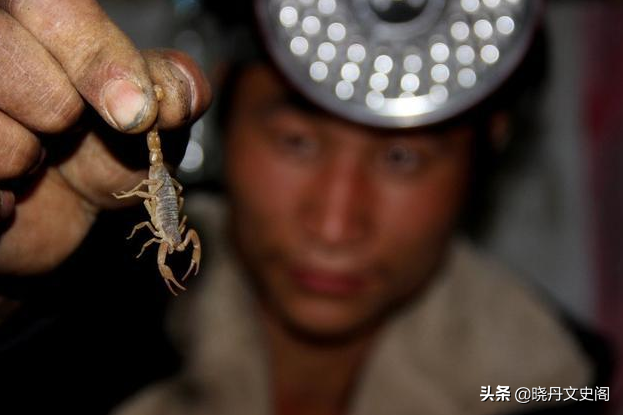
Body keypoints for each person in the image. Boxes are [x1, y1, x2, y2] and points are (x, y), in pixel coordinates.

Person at [0, 1, 610, 415]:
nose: (335, 223)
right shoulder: (71, 319)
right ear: (225, 119)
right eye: (297, 140)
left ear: (490, 148)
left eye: (403, 159)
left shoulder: (560, 383)